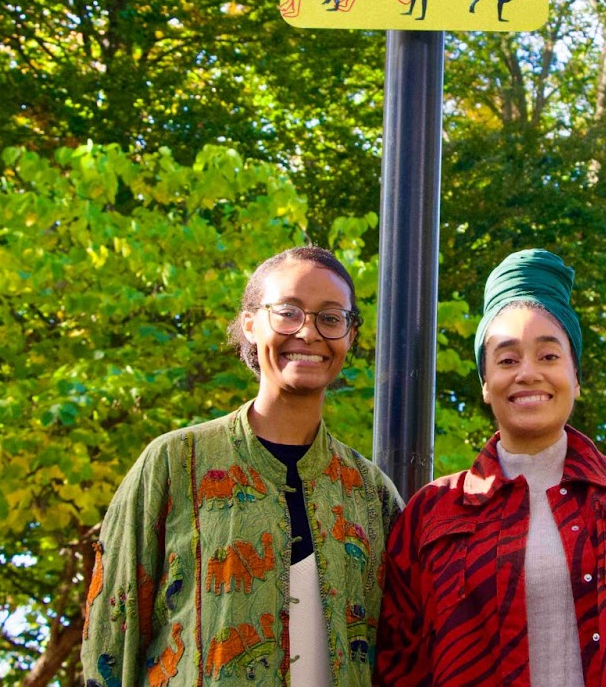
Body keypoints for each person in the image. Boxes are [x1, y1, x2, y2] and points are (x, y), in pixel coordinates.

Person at [376, 249, 606, 686]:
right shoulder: (431, 513)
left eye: (548, 356)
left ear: (576, 377)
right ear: (486, 384)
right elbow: (396, 667)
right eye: (507, 360)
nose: (528, 373)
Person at [81, 246, 402, 687]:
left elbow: (403, 651)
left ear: (350, 335)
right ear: (250, 323)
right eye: (288, 313)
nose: (308, 332)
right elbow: (111, 639)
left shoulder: (371, 493)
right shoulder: (174, 464)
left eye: (331, 318)